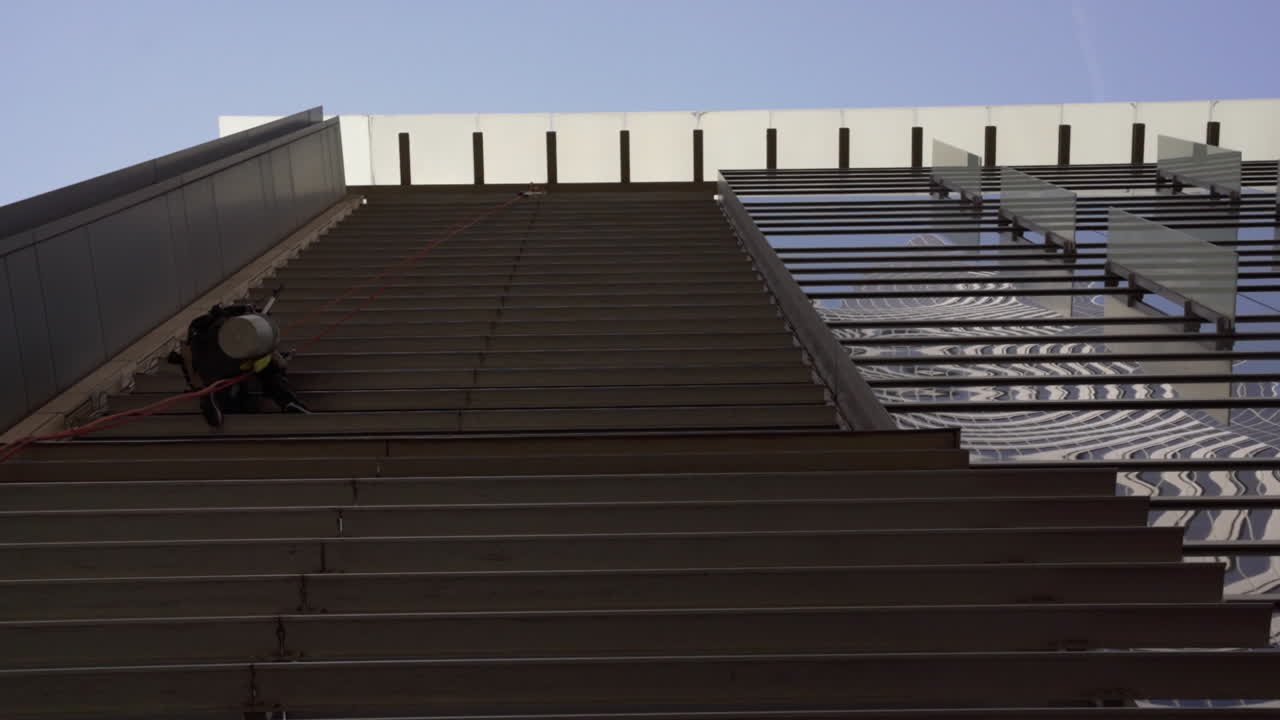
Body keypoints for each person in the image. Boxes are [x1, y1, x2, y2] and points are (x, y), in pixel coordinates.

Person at [169, 302, 310, 427]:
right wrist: (281, 361)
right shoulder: (252, 330)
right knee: (269, 372)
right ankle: (287, 401)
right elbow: (279, 363)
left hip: (213, 367)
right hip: (234, 361)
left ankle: (213, 397)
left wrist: (199, 387)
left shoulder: (205, 328)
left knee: (226, 382)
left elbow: (190, 362)